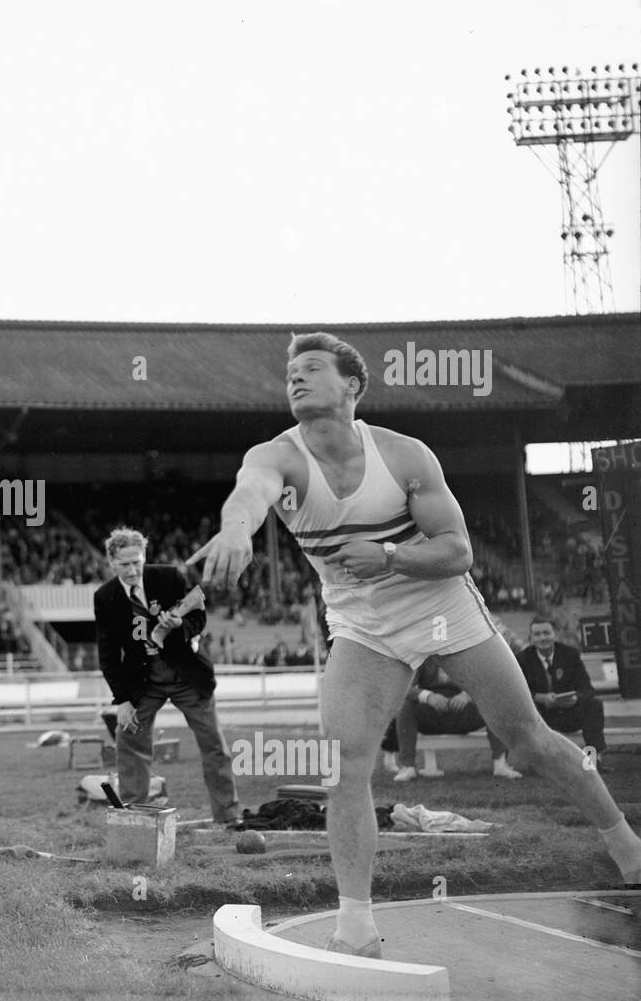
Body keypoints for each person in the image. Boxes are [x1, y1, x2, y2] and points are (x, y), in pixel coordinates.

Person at [188, 331, 641, 956]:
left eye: (312, 368)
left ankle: (626, 845)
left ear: (351, 386)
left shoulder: (403, 456)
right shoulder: (278, 456)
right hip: (362, 627)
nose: (295, 378)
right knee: (344, 765)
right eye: (291, 371)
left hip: (441, 606)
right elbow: (250, 494)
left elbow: (458, 551)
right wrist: (235, 531)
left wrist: (391, 555)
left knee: (528, 740)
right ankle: (356, 927)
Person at [94, 527, 241, 822]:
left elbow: (198, 616)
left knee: (214, 745)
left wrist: (180, 627)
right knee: (131, 742)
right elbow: (108, 654)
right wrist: (122, 700)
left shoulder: (169, 577)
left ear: (144, 557)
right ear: (111, 563)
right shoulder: (105, 597)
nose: (133, 569)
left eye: (137, 561)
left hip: (186, 675)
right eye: (125, 564)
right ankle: (136, 818)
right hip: (143, 683)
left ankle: (229, 817)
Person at [388, 656, 521, 781]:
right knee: (406, 706)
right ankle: (408, 767)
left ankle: (501, 764)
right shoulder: (421, 656)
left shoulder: (468, 653)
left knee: (494, 703)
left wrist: (467, 695)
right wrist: (428, 696)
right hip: (432, 713)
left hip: (464, 713)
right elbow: (404, 687)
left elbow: (487, 681)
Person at [516, 617, 608, 771]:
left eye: (547, 633)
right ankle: (539, 763)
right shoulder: (522, 659)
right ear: (531, 638)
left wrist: (574, 698)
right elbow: (518, 693)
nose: (542, 638)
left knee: (594, 704)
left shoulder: (570, 655)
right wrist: (541, 698)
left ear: (555, 634)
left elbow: (588, 689)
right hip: (541, 716)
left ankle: (593, 759)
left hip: (568, 712)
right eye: (537, 634)